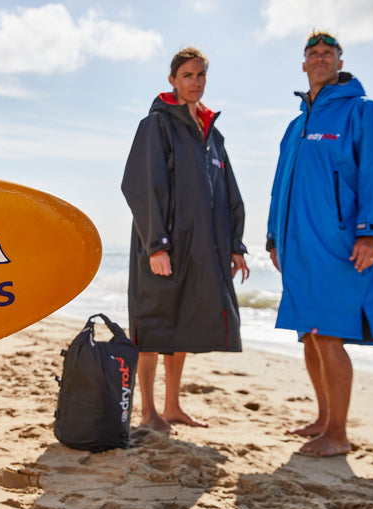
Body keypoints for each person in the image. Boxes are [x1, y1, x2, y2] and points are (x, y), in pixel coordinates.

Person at [266, 31, 373, 456]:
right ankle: (323, 419)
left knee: (328, 336)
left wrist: (369, 232)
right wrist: (273, 236)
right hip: (297, 246)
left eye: (328, 53)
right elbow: (280, 186)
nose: (320, 58)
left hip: (338, 244)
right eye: (313, 53)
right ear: (303, 64)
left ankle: (338, 434)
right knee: (309, 333)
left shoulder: (363, 112)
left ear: (340, 62)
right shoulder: (296, 125)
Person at [122, 47, 249, 435]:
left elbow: (228, 192)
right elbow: (141, 186)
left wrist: (235, 245)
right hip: (160, 245)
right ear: (172, 80)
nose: (195, 82)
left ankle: (172, 406)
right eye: (188, 76)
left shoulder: (212, 135)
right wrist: (156, 244)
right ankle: (148, 413)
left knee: (182, 325)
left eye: (201, 76)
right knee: (153, 325)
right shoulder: (156, 125)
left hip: (199, 248)